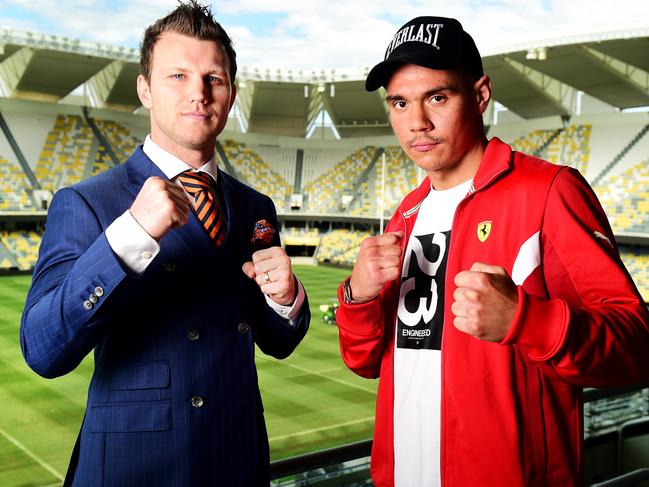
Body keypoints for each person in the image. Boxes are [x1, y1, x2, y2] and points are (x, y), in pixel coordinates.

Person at [336, 16, 649, 487]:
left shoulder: (548, 192)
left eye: (437, 97)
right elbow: (363, 362)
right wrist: (357, 298)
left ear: (480, 95)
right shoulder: (405, 214)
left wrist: (527, 320)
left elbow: (636, 346)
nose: (416, 122)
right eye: (399, 103)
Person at [20, 2, 309, 485]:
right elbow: (43, 350)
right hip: (138, 468)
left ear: (231, 94)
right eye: (177, 76)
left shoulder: (256, 205)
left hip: (238, 462)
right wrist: (129, 233)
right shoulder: (87, 202)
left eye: (213, 79)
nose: (198, 93)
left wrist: (284, 302)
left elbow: (276, 343)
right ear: (145, 89)